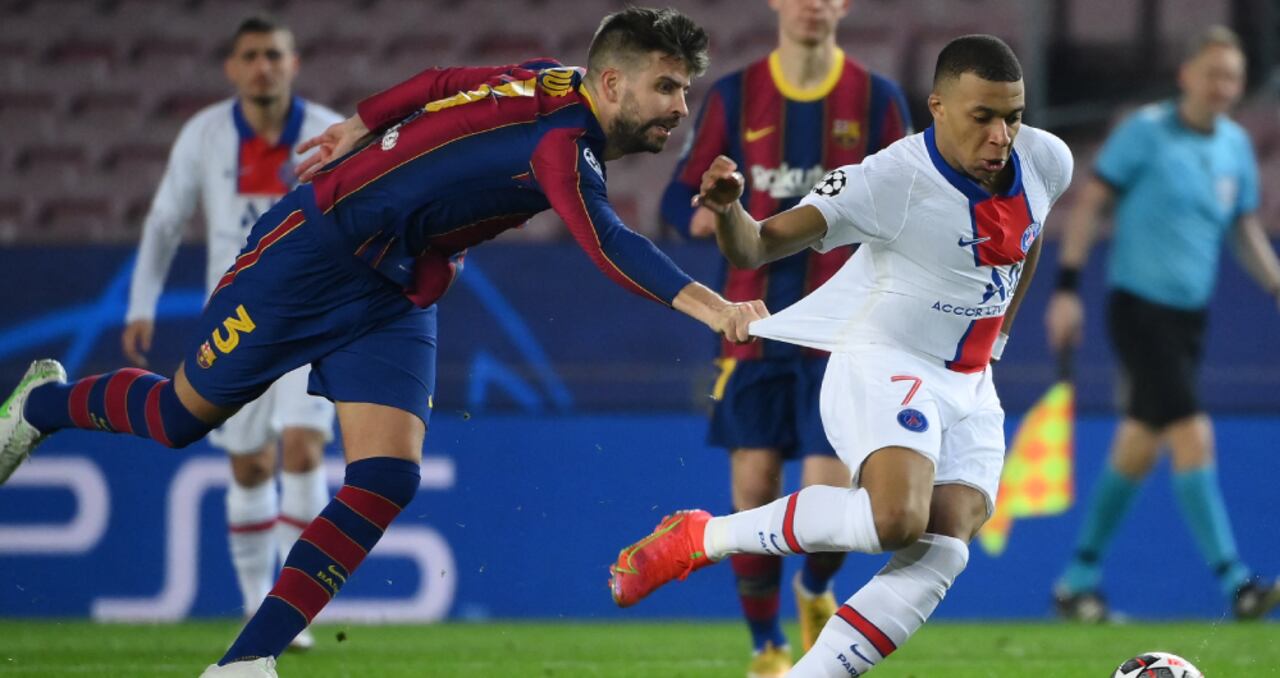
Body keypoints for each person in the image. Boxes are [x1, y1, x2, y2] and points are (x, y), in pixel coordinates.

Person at [0, 8, 765, 677]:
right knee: (179, 418)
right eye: (666, 87)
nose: (681, 107)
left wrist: (362, 121)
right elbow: (606, 241)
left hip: (397, 288)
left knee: (387, 475)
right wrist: (714, 309)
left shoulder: (552, 79)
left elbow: (438, 81)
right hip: (312, 258)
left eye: (686, 89)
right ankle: (42, 404)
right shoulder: (564, 141)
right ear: (610, 85)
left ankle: (245, 660)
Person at [609, 34, 1074, 676]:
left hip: (971, 383)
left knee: (947, 545)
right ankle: (700, 537)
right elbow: (757, 249)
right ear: (937, 106)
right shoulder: (887, 180)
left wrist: (999, 337)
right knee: (896, 520)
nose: (1002, 136)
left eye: (1013, 116)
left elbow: (1033, 229)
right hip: (886, 362)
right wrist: (729, 211)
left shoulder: (1047, 158)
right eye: (983, 117)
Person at [659, 0, 910, 672]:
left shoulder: (879, 101)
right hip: (750, 326)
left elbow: (911, 201)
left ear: (846, 4)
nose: (811, 5)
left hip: (845, 336)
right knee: (754, 490)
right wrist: (712, 211)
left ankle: (816, 587)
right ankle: (767, 648)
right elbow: (672, 205)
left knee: (835, 496)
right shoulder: (733, 98)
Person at [1045, 25, 1280, 622]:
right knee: (1191, 432)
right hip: (1138, 307)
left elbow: (1244, 230)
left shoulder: (1233, 149)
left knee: (1138, 446)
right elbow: (1090, 204)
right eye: (1213, 74)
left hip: (1189, 319)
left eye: (1233, 77)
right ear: (1187, 77)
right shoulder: (1144, 134)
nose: (1223, 87)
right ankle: (1236, 582)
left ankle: (1077, 579)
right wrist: (1067, 288)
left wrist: (1277, 284)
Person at [121, 16, 341, 650]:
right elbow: (165, 220)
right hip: (236, 319)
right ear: (232, 68)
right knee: (248, 465)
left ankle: (290, 609)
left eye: (274, 54)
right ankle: (253, 603)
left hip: (312, 311)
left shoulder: (328, 129)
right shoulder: (206, 134)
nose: (263, 66)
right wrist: (143, 305)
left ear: (293, 64)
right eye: (251, 55)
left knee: (301, 448)